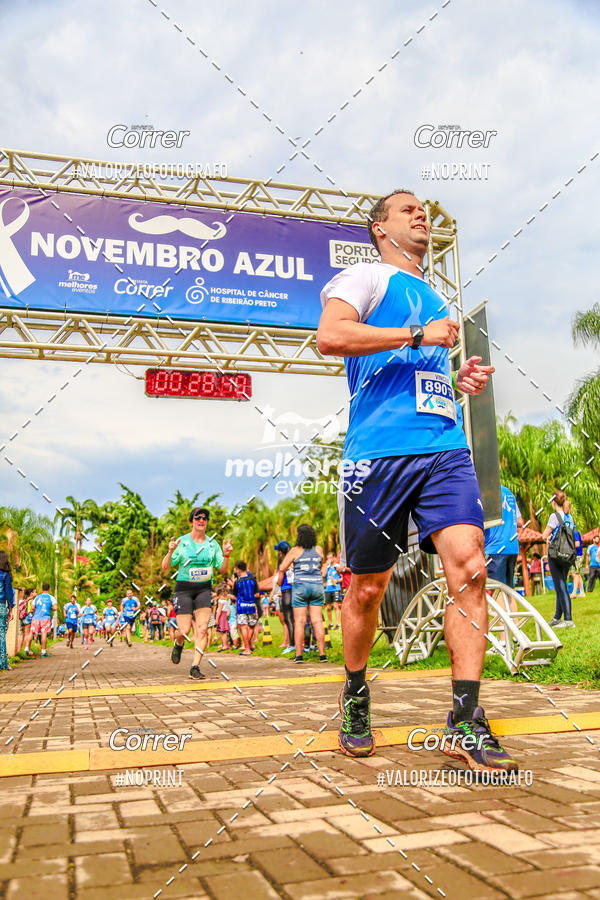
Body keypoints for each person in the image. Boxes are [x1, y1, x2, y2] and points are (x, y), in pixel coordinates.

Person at [317, 188, 517, 773]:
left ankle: (465, 719)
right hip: (377, 457)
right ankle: (355, 694)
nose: (421, 214)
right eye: (407, 210)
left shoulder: (435, 295)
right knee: (369, 588)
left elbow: (418, 377)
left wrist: (459, 383)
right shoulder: (364, 278)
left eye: (423, 209)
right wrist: (415, 337)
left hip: (444, 451)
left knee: (470, 565)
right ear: (381, 228)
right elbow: (331, 337)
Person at [162, 506, 232, 679]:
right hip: (184, 588)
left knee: (202, 630)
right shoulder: (182, 542)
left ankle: (195, 667)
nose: (201, 521)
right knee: (184, 630)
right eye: (197, 517)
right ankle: (178, 643)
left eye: (204, 518)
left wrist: (227, 555)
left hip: (204, 589)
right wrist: (170, 551)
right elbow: (165, 566)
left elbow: (222, 569)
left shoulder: (212, 544)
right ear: (191, 521)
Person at [277, 524, 327, 663]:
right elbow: (321, 564)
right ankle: (322, 655)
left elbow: (282, 568)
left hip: (301, 587)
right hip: (317, 586)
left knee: (299, 621)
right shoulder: (318, 549)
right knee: (317, 621)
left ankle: (299, 655)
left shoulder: (294, 551)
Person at [542, 491, 575, 628]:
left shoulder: (554, 516)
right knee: (561, 584)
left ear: (554, 502)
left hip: (555, 555)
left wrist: (548, 537)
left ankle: (568, 620)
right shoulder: (569, 517)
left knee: (560, 585)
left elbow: (544, 535)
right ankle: (557, 617)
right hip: (567, 555)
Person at [484, 485, 524, 588]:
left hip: (495, 548)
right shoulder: (509, 493)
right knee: (509, 590)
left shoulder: (487, 491)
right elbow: (520, 522)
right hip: (512, 546)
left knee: (497, 590)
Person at [233, 561, 260, 655]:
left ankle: (247, 648)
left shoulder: (237, 582)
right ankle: (248, 645)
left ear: (238, 569)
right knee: (252, 625)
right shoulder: (253, 579)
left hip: (241, 607)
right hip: (252, 605)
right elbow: (257, 593)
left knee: (243, 626)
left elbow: (235, 595)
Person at [26, 582, 57, 657]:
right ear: (49, 589)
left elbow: (32, 607)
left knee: (31, 632)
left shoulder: (37, 597)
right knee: (44, 634)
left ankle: (26, 647)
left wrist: (37, 610)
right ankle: (43, 651)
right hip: (45, 618)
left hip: (36, 618)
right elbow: (55, 608)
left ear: (42, 589)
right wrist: (50, 608)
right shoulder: (51, 598)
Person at [274, 540, 295, 653]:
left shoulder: (284, 563)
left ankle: (292, 644)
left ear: (281, 552)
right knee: (298, 619)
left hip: (286, 591)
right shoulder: (295, 559)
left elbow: (279, 582)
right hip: (297, 590)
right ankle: (303, 643)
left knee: (288, 619)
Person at [0, 551, 14, 670]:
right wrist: (10, 609)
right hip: (1, 606)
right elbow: (9, 594)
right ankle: (3, 663)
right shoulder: (5, 575)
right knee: (1, 635)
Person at [322, 552, 342, 629]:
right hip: (328, 589)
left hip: (336, 588)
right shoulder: (327, 567)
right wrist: (326, 564)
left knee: (336, 606)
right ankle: (330, 624)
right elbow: (323, 575)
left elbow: (341, 578)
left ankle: (338, 624)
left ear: (334, 558)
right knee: (328, 607)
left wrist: (336, 581)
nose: (329, 559)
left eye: (331, 558)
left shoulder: (337, 567)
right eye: (328, 558)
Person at [17, 587, 36, 655]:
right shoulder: (32, 600)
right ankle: (27, 649)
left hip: (23, 617)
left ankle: (19, 650)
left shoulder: (24, 600)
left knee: (23, 634)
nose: (36, 593)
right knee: (28, 634)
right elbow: (31, 610)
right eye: (35, 592)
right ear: (31, 593)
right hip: (29, 617)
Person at [570, 518, 585, 598]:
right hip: (574, 555)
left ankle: (574, 592)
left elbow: (577, 544)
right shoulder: (572, 532)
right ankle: (582, 592)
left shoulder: (574, 533)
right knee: (577, 574)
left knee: (575, 573)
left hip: (577, 555)